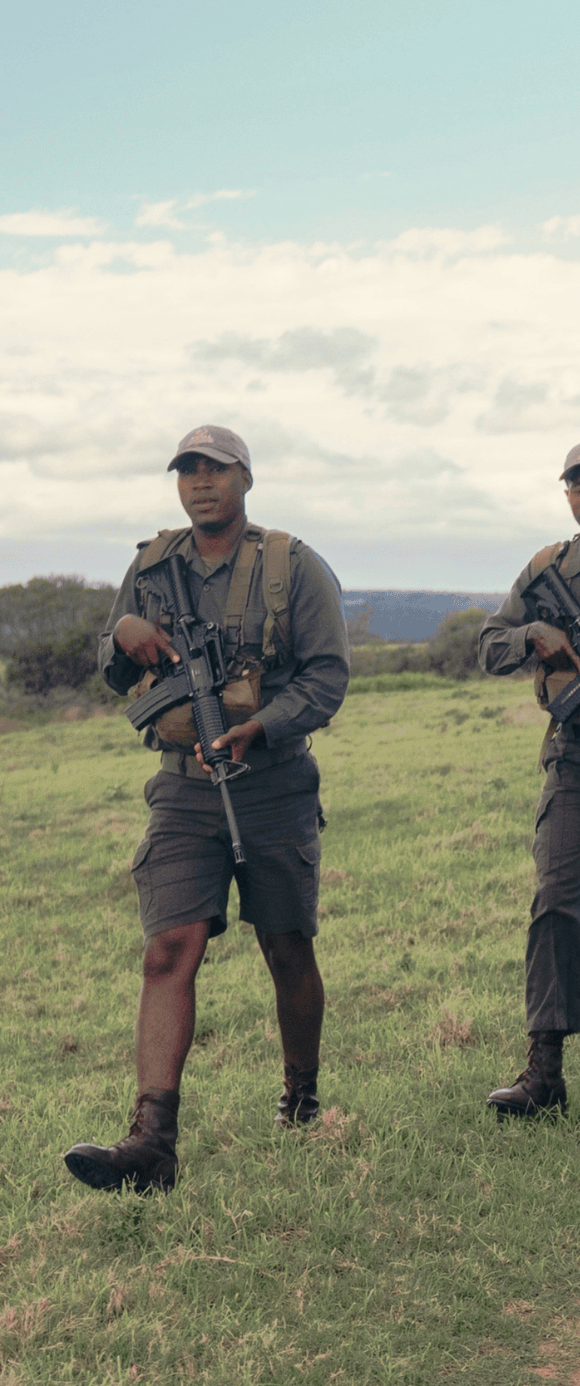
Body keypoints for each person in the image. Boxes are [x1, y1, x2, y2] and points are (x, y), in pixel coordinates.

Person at [64, 425, 350, 1193]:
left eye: (215, 470)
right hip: (183, 788)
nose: (200, 483)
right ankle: (152, 1138)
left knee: (285, 946)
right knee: (169, 947)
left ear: (245, 479)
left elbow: (327, 678)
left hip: (275, 783)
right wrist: (122, 634)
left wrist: (262, 727)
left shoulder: (293, 565)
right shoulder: (151, 566)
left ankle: (301, 1094)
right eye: (187, 471)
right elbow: (109, 664)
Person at [475, 439, 580, 1117]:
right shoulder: (545, 568)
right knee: (555, 904)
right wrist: (532, 636)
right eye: (578, 488)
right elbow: (489, 644)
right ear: (566, 495)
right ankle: (544, 1070)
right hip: (572, 754)